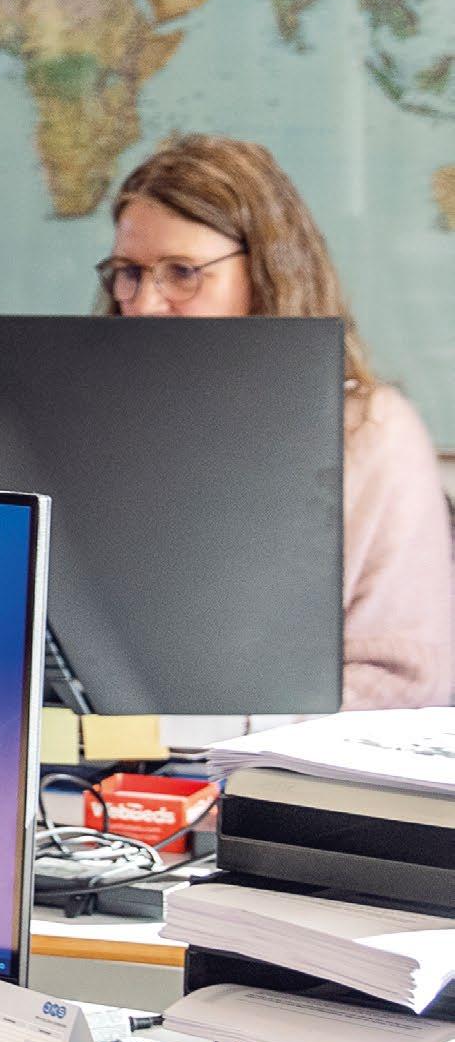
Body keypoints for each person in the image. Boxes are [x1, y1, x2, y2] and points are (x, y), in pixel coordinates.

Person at [99, 136, 453, 708]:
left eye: (182, 272)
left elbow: (407, 677)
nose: (143, 304)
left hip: (282, 756)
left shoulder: (369, 432)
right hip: (97, 747)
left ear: (265, 272)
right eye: (128, 273)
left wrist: (227, 735)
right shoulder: (99, 421)